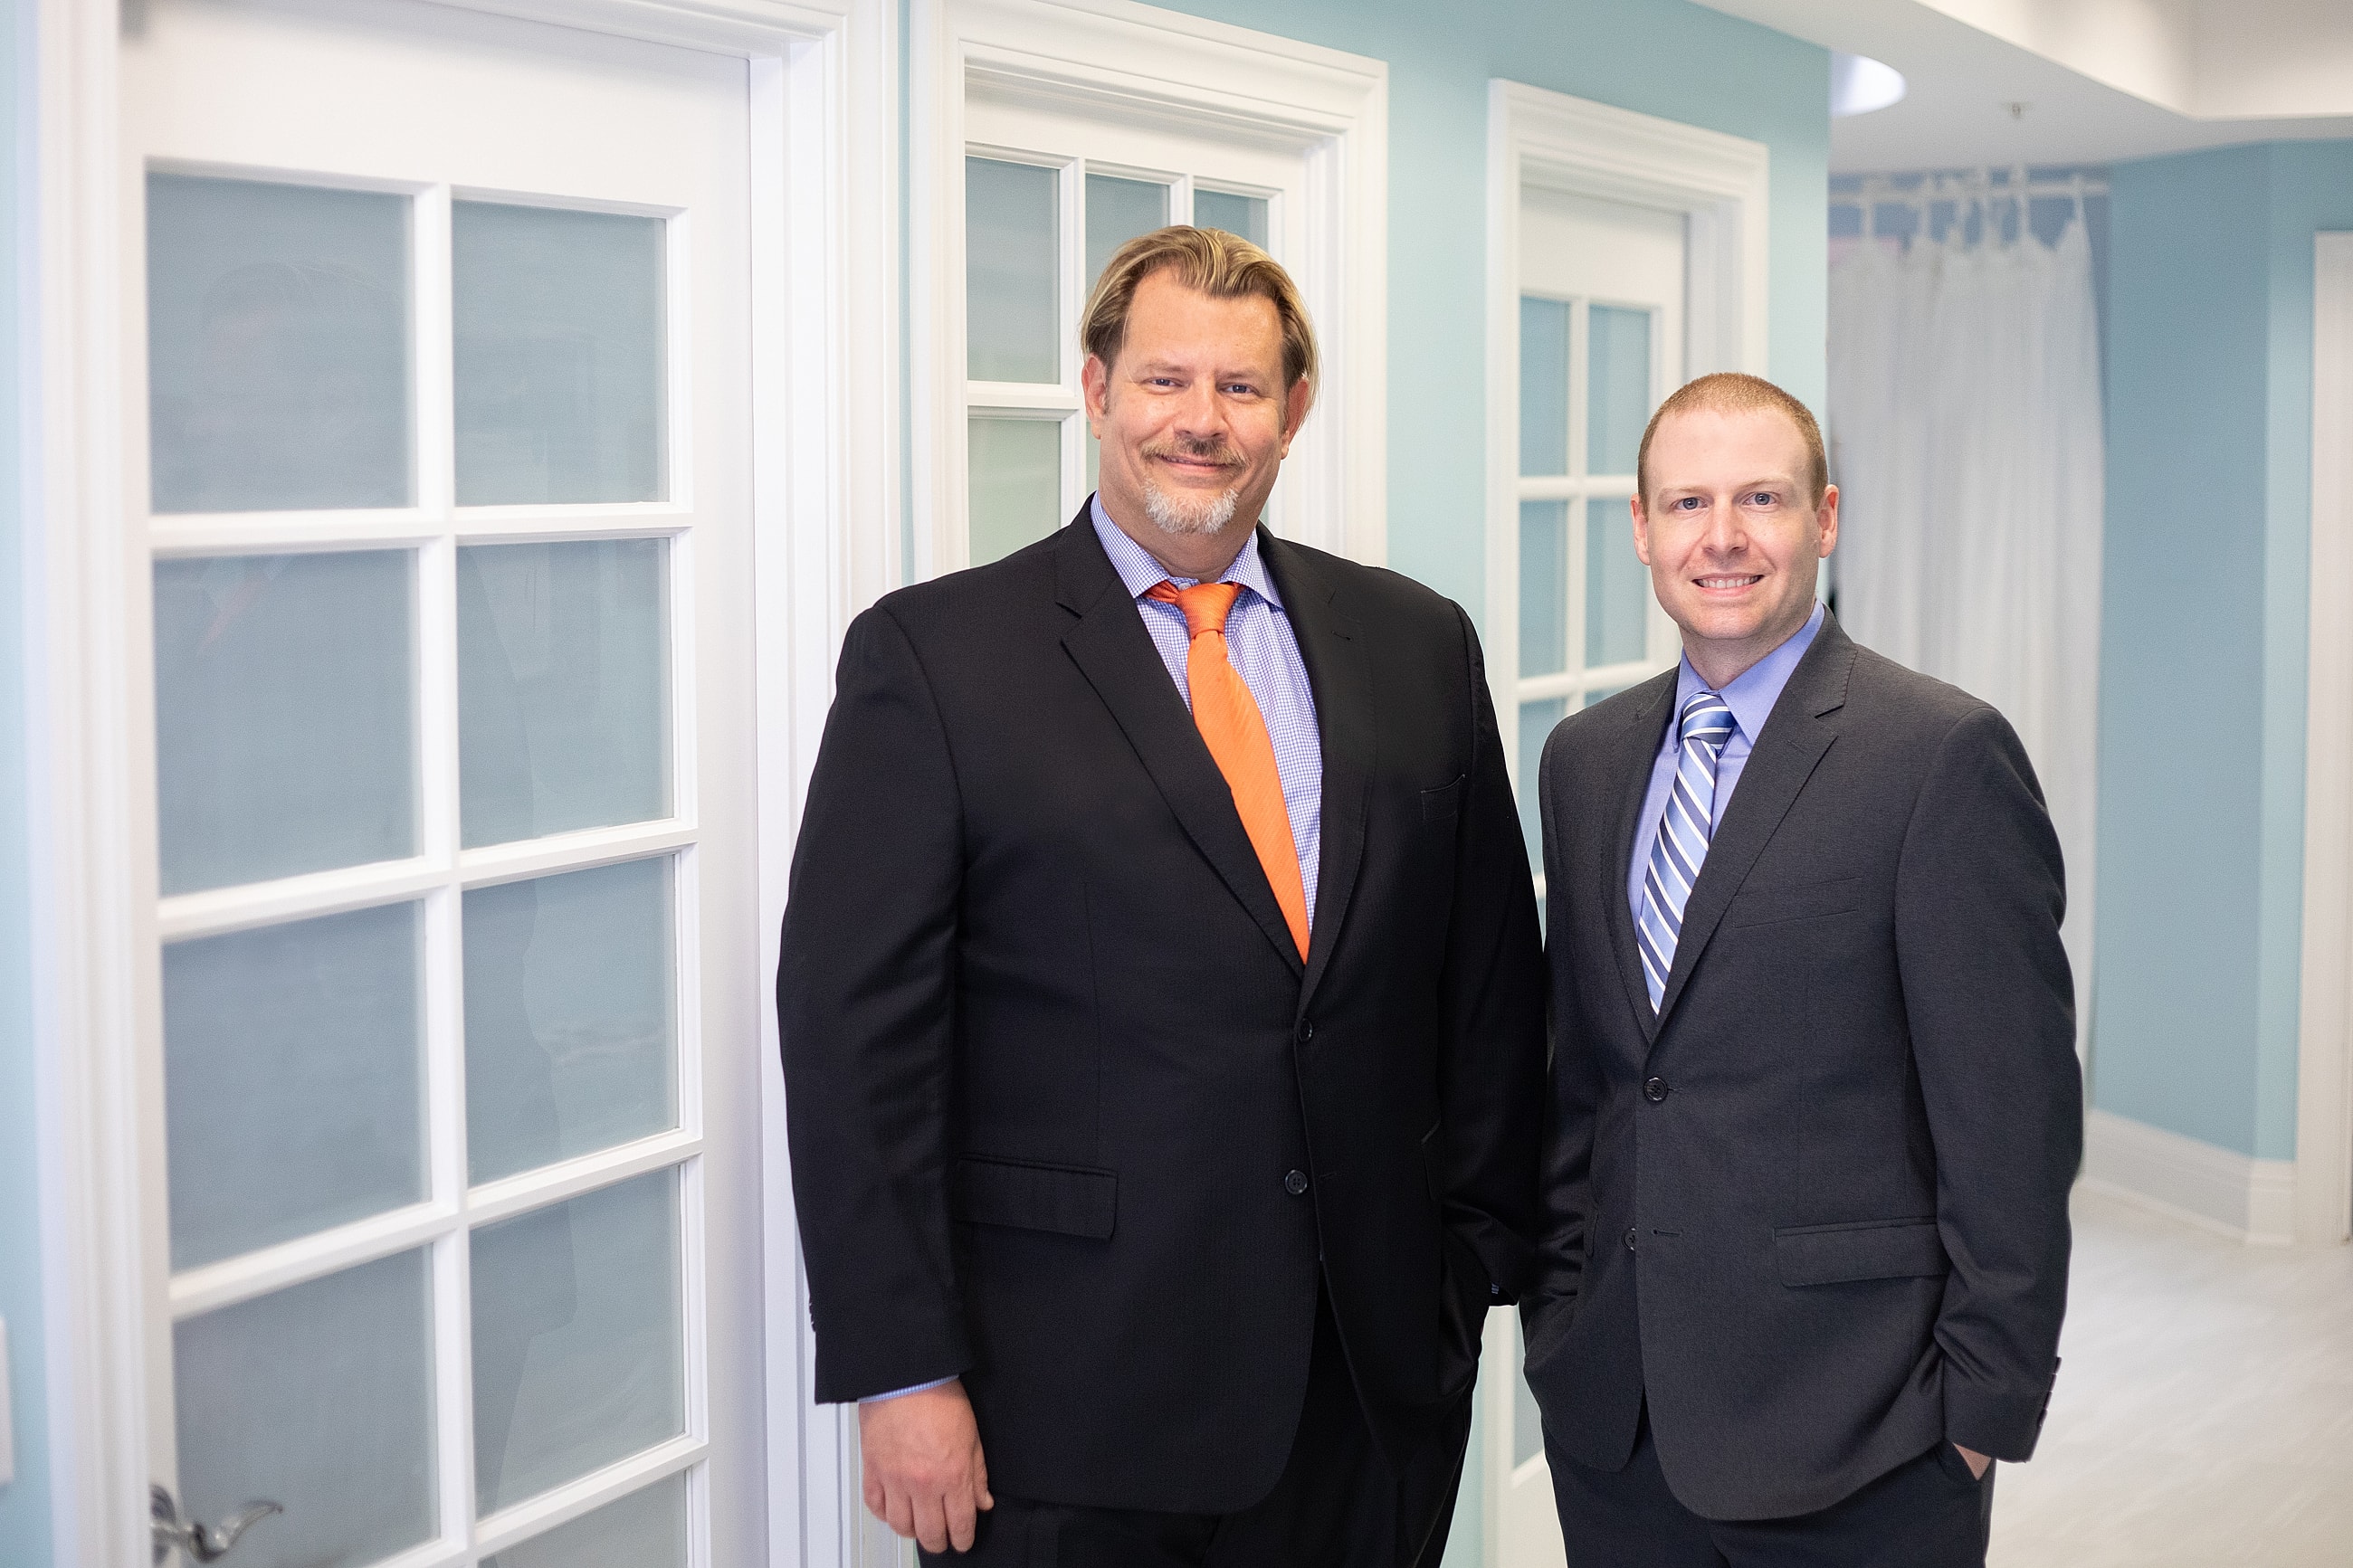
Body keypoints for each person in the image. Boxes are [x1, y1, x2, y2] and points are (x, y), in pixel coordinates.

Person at [778, 226, 1546, 1567]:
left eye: (1243, 388)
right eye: (1164, 380)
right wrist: (903, 1373)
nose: (1202, 421)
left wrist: (1465, 1266)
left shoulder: (1419, 643)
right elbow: (857, 1047)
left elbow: (1484, 984)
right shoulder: (937, 659)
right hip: (1064, 1406)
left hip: (1365, 1389)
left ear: (1294, 411)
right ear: (1095, 390)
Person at [1523, 373, 2081, 1566]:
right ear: (1641, 528)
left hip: (1864, 1436)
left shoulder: (1939, 755)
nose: (1720, 537)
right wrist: (1560, 1320)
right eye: (1686, 503)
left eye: (1760, 498)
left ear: (1824, 518)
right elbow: (1591, 1082)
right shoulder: (1584, 761)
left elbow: (2011, 1118)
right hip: (1620, 1429)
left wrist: (1980, 1410)